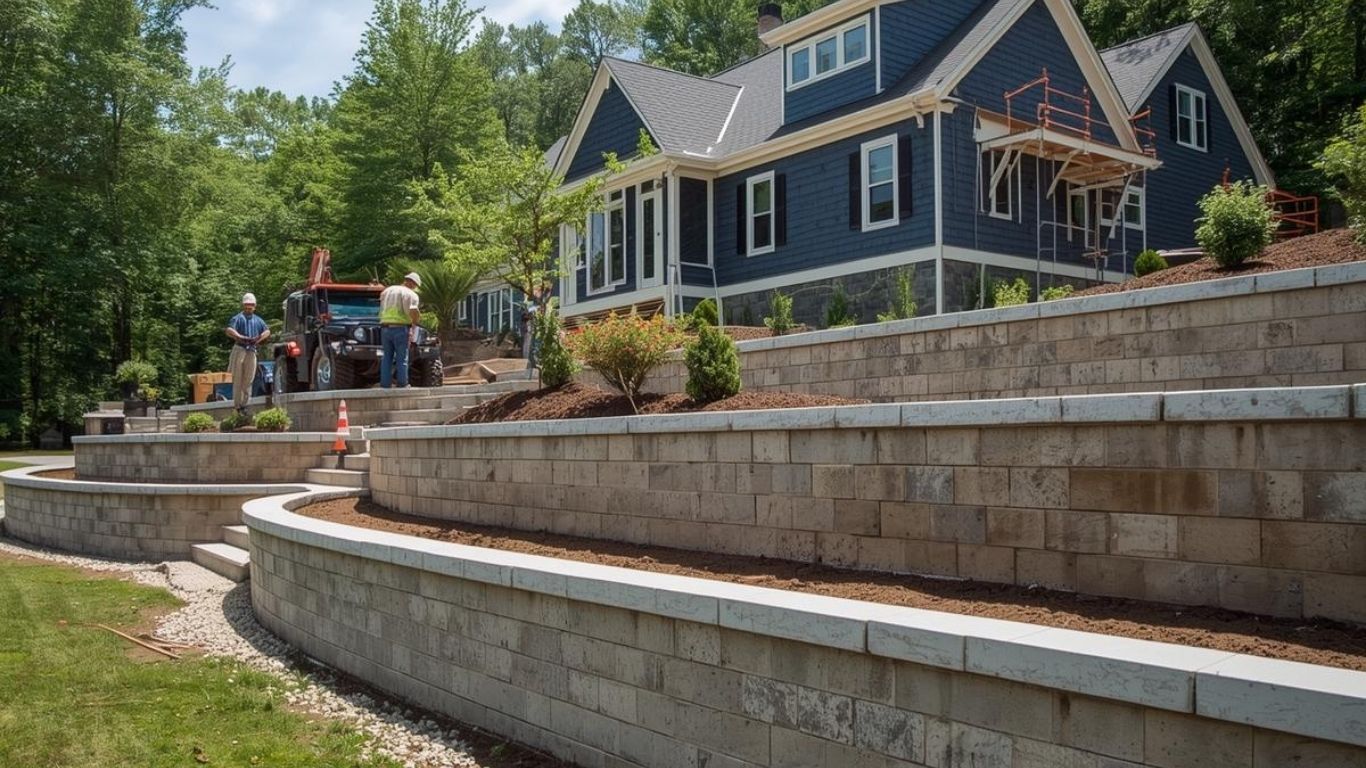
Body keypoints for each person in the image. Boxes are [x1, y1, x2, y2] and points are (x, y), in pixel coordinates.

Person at [225, 293, 270, 411]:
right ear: (243, 305)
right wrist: (240, 337)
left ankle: (245, 405)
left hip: (252, 351)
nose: (249, 307)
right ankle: (237, 406)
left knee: (248, 380)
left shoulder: (258, 320)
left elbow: (267, 331)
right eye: (247, 305)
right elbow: (229, 330)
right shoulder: (238, 318)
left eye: (251, 305)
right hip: (239, 349)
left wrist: (258, 339)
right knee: (238, 379)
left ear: (254, 306)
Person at [379, 272, 422, 388]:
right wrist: (413, 327)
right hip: (401, 328)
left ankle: (385, 384)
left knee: (387, 357)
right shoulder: (411, 295)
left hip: (385, 328)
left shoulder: (387, 291)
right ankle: (402, 384)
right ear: (413, 284)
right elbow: (413, 312)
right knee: (402, 358)